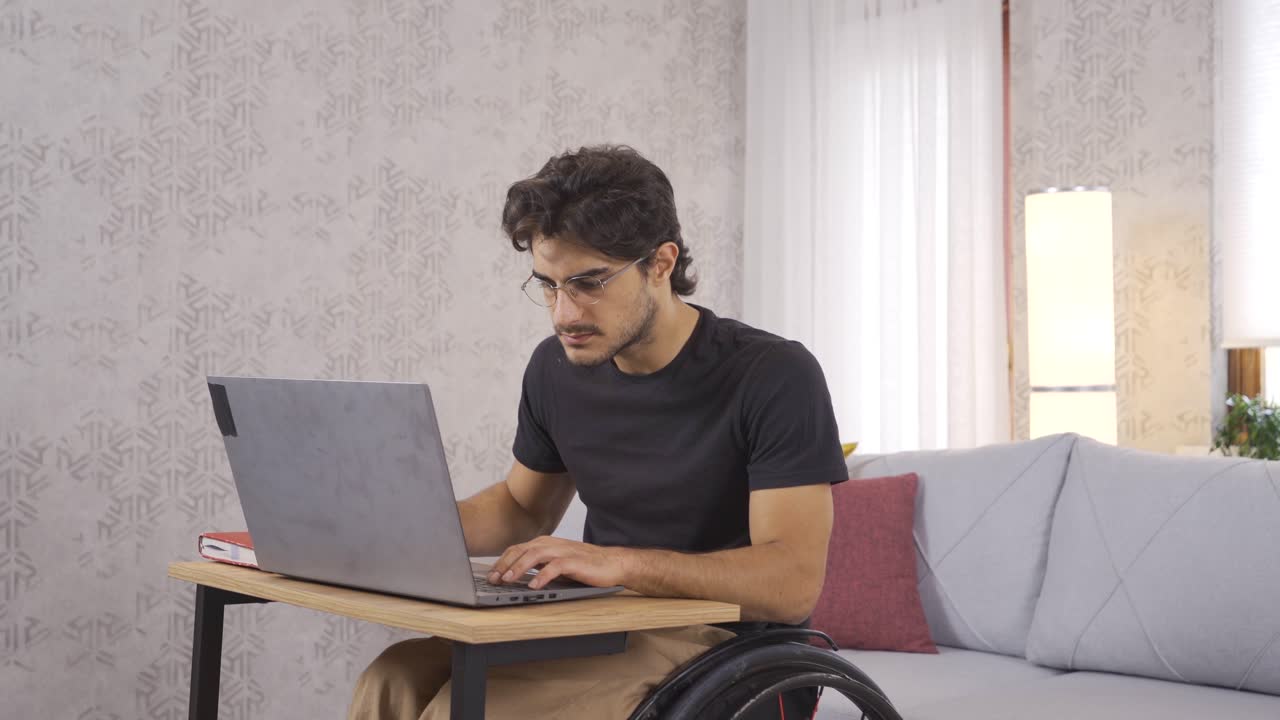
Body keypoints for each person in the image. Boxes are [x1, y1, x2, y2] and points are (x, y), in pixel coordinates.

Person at [347, 145, 846, 720]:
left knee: (467, 707)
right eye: (549, 285)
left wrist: (622, 563)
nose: (564, 313)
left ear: (660, 263)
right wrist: (385, 531)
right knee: (394, 678)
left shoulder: (773, 374)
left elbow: (792, 582)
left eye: (588, 282)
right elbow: (519, 508)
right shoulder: (556, 368)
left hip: (735, 651)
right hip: (610, 620)